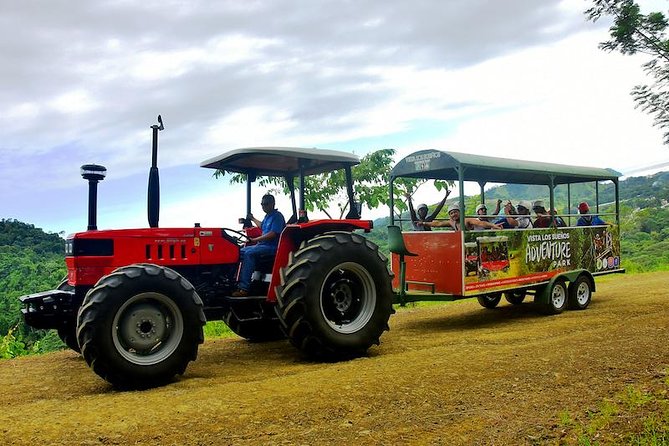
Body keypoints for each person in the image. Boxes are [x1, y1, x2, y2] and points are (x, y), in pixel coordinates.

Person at [232, 194, 286, 297]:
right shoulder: (267, 216)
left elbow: (272, 234)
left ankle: (244, 288)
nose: (263, 206)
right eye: (262, 204)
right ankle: (233, 281)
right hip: (262, 245)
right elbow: (262, 226)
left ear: (273, 204)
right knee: (238, 251)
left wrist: (255, 239)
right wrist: (252, 218)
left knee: (249, 253)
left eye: (266, 204)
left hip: (272, 247)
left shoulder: (277, 216)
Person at [420, 203, 502, 231]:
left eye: (455, 212)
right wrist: (424, 223)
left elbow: (481, 223)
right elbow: (438, 224)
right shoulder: (451, 222)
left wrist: (494, 225)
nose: (454, 214)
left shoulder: (467, 220)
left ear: (459, 212)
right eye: (451, 213)